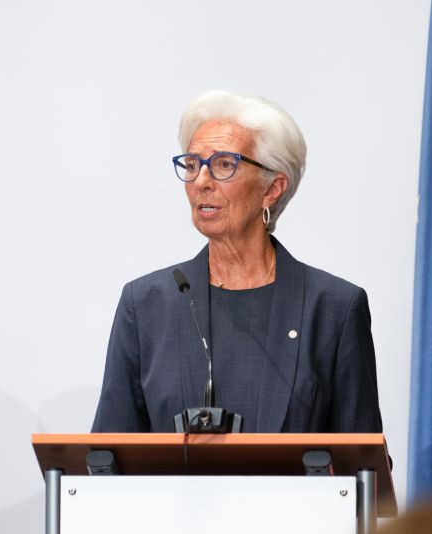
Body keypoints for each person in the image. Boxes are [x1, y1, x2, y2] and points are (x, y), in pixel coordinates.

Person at [92, 90, 383, 433]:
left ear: (272, 188)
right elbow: (108, 453)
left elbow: (361, 456)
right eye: (192, 165)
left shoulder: (333, 308)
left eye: (223, 165)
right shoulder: (146, 306)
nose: (201, 182)